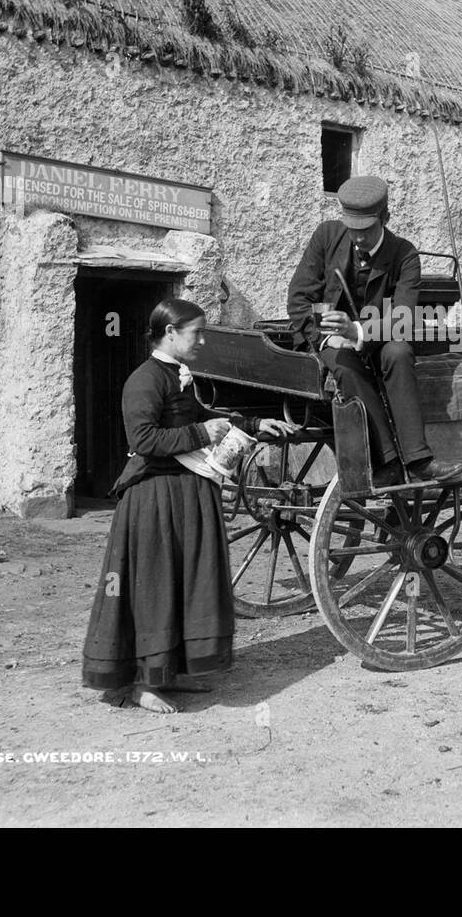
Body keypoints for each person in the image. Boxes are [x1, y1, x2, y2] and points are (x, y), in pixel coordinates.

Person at [81, 297, 294, 713]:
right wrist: (201, 433)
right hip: (154, 500)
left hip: (183, 495)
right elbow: (143, 441)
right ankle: (141, 684)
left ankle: (169, 673)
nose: (201, 341)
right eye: (196, 333)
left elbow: (206, 417)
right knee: (153, 589)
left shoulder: (181, 375)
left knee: (182, 582)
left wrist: (252, 425)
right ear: (170, 333)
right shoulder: (144, 381)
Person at [286, 174, 462, 485]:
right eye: (351, 229)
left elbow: (404, 316)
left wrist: (356, 331)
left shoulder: (404, 254)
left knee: (399, 351)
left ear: (386, 218)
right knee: (346, 366)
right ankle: (389, 462)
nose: (356, 238)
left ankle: (419, 459)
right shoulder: (327, 235)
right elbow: (299, 299)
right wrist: (327, 337)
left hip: (377, 338)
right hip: (328, 338)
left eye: (365, 230)